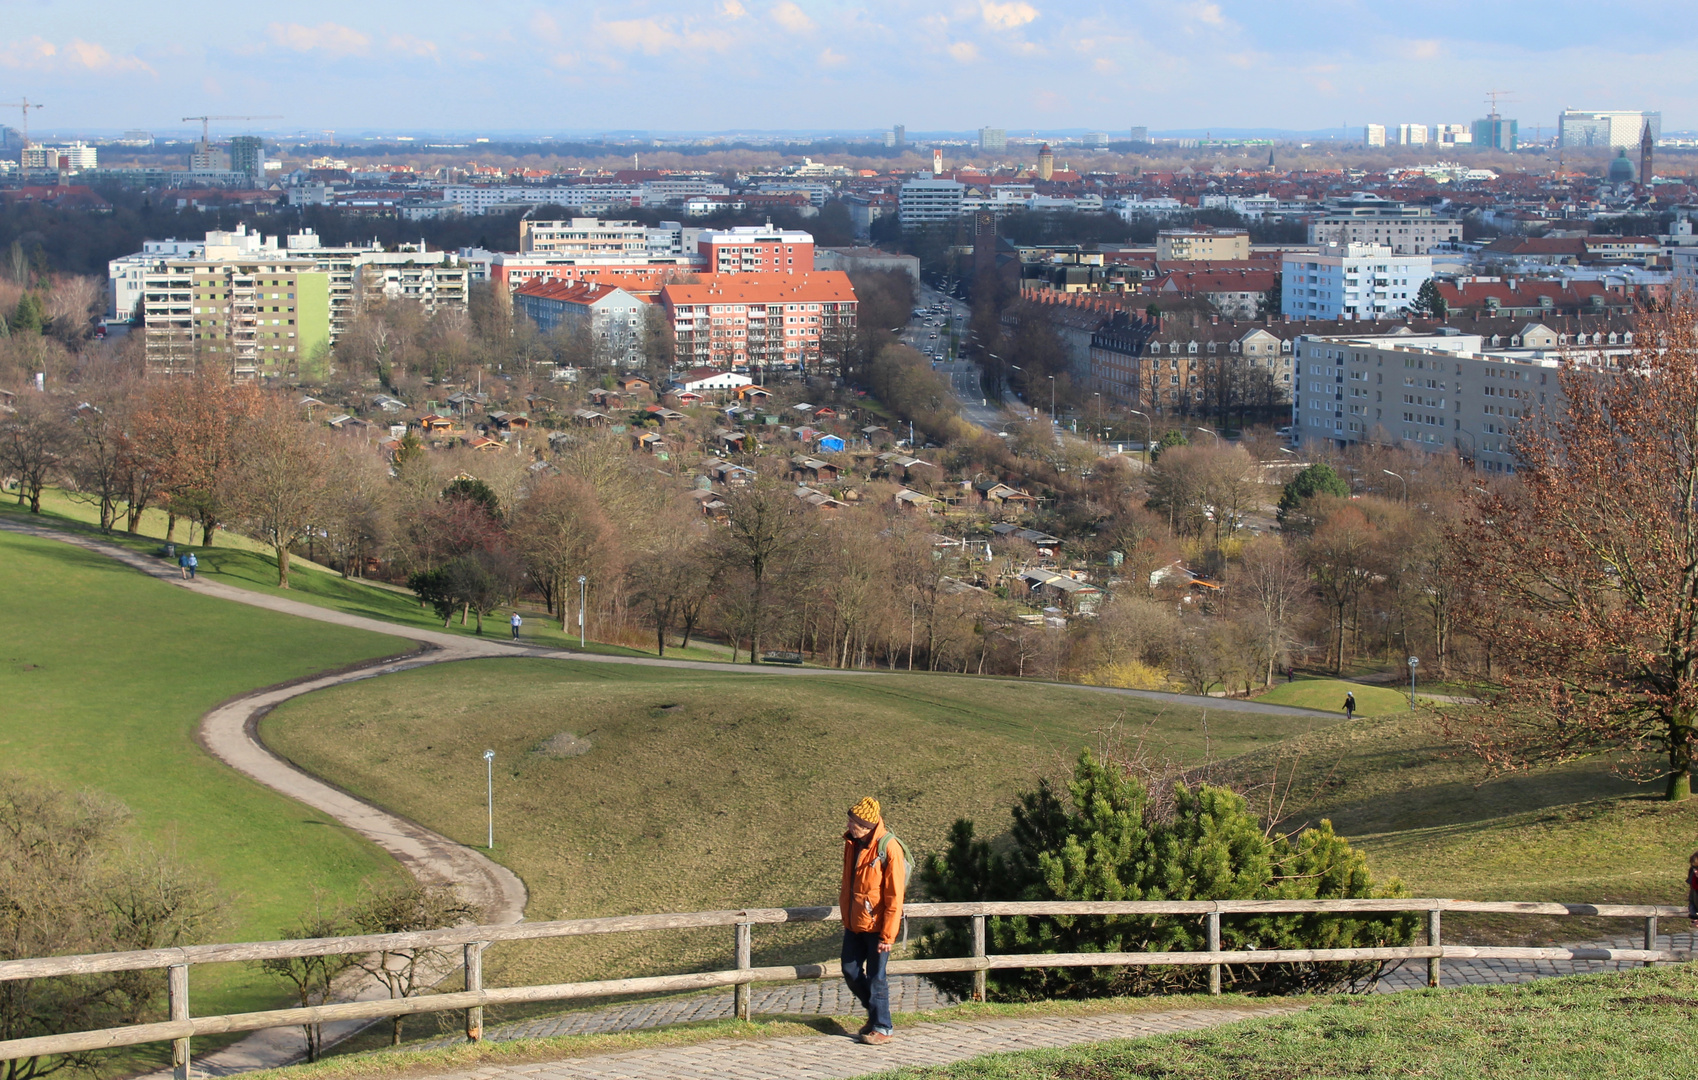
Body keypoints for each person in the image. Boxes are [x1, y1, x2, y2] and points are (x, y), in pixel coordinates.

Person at [840, 796, 905, 1046]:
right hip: (854, 923)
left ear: (866, 825)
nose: (848, 824)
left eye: (852, 821)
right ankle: (877, 1015)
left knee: (877, 976)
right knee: (850, 970)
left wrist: (888, 936)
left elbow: (894, 895)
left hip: (878, 928)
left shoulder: (889, 848)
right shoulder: (851, 843)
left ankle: (883, 1027)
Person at [1687, 851, 1698, 926]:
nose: (1695, 871)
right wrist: (1694, 916)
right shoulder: (1693, 879)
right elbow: (1692, 900)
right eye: (1693, 867)